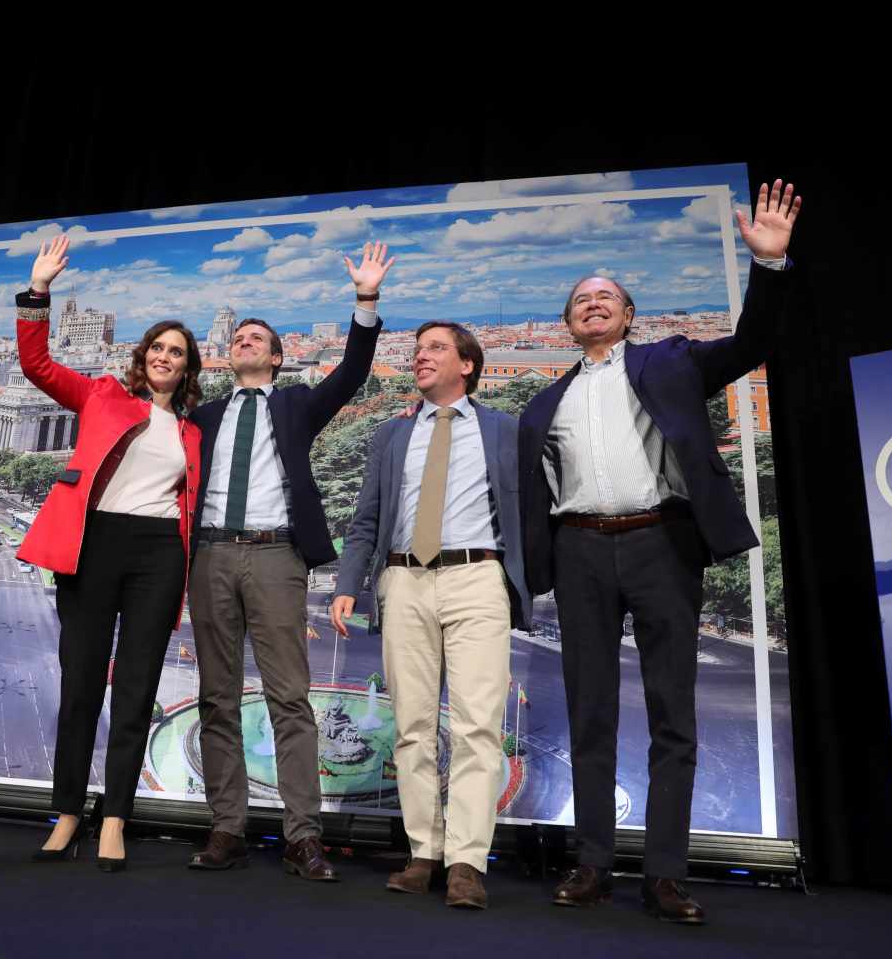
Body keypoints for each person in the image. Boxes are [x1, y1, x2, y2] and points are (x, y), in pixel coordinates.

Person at [518, 180, 801, 923]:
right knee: (589, 715)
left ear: (629, 315)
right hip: (579, 552)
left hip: (660, 543)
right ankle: (591, 863)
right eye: (582, 298)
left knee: (674, 713)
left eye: (607, 295)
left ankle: (667, 874)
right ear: (567, 324)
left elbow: (754, 343)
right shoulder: (543, 404)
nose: (594, 302)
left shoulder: (673, 362)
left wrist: (768, 267)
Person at [184, 242, 392, 881]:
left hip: (277, 556)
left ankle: (303, 836)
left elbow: (353, 373)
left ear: (276, 356)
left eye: (257, 337)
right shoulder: (205, 414)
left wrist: (365, 300)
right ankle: (227, 829)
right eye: (237, 336)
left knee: (289, 700)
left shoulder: (297, 403)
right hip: (211, 554)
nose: (244, 341)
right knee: (217, 699)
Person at [15, 235, 204, 873]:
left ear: (187, 368)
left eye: (176, 353)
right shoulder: (101, 395)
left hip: (157, 554)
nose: (164, 358)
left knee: (136, 686)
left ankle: (116, 818)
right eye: (157, 347)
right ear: (141, 356)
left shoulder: (191, 431)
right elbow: (38, 366)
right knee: (81, 682)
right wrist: (38, 292)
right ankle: (68, 811)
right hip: (95, 544)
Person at [331, 320, 529, 910]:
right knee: (412, 726)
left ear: (467, 365)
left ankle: (467, 861)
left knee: (476, 726)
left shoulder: (505, 431)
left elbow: (532, 510)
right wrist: (349, 584)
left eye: (435, 349)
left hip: (476, 578)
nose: (420, 358)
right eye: (417, 351)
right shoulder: (391, 437)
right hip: (403, 581)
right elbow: (367, 517)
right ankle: (424, 851)